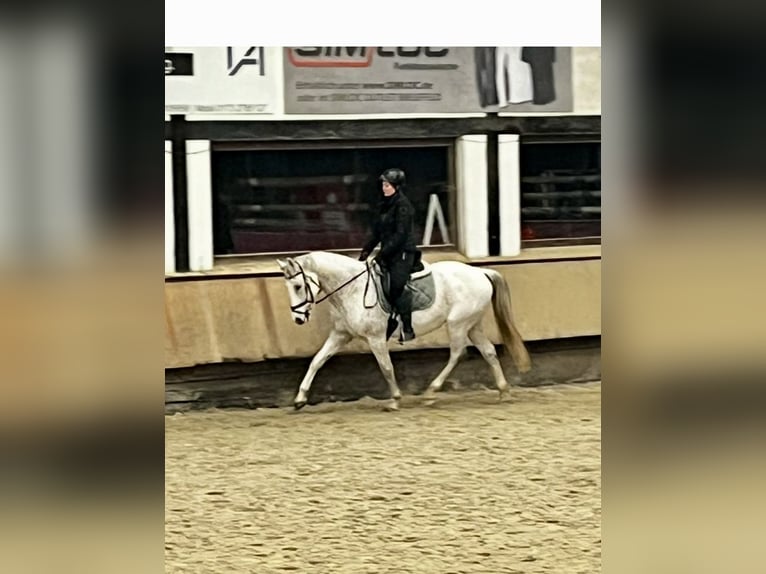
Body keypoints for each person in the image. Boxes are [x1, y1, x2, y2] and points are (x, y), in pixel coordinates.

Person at [359, 168, 422, 342]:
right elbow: (377, 232)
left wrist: (381, 254)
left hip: (403, 253)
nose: (384, 188)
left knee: (396, 285)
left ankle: (407, 327)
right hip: (389, 252)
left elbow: (400, 235)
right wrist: (366, 251)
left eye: (387, 185)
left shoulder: (403, 206)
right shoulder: (385, 205)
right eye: (383, 185)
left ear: (396, 186)